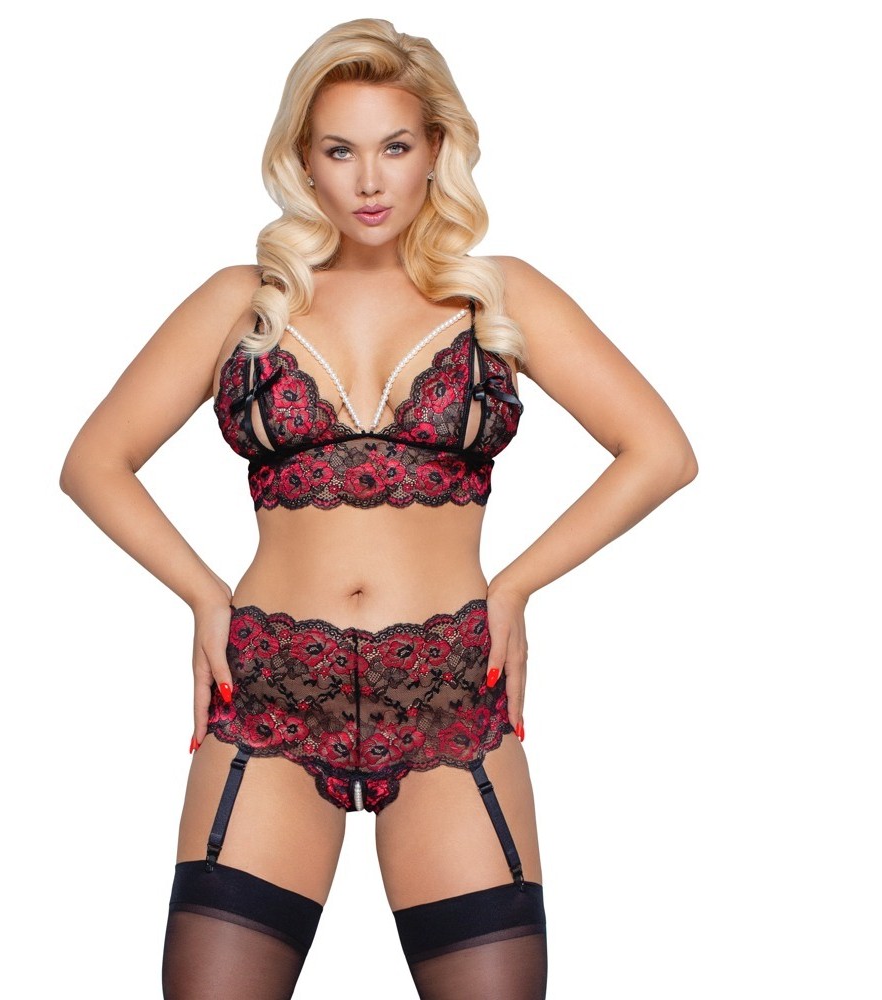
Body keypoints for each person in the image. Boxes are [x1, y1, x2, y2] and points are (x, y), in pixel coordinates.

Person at [60, 17, 697, 1000]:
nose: (368, 180)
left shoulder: (499, 298)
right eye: (339, 150)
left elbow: (659, 451)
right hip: (270, 691)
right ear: (303, 161)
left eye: (394, 147)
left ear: (436, 150)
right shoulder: (243, 301)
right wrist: (204, 596)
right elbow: (95, 462)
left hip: (449, 693)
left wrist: (514, 588)